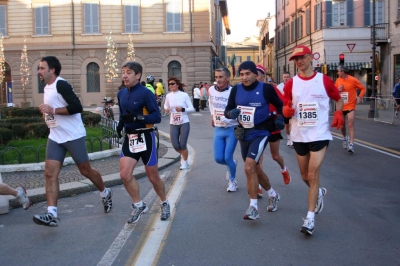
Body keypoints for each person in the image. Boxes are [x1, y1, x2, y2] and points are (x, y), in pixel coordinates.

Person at [35, 56, 113, 227]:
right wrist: (47, 113)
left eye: (42, 68)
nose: (39, 71)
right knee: (49, 173)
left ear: (52, 70)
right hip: (56, 136)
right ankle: (52, 213)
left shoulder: (61, 84)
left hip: (73, 135)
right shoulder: (47, 87)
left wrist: (53, 110)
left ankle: (105, 192)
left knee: (85, 171)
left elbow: (76, 106)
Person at [283, 45, 344, 235]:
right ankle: (318, 192)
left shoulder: (324, 80)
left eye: (302, 57)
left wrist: (339, 112)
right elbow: (286, 103)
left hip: (319, 133)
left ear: (310, 58)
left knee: (312, 172)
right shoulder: (291, 83)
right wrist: (286, 111)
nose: (299, 61)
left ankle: (309, 219)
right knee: (304, 176)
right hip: (299, 134)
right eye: (296, 59)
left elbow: (338, 98)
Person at [224, 61, 284, 220]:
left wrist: (280, 117)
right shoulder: (236, 89)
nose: (244, 77)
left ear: (255, 74)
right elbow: (227, 111)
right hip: (244, 133)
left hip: (261, 132)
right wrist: (231, 114)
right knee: (255, 169)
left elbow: (280, 105)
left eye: (248, 74)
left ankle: (253, 207)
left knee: (248, 167)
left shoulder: (266, 89)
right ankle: (273, 194)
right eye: (242, 74)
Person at [116, 61, 170, 224]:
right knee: (125, 175)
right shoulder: (121, 94)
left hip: (146, 137)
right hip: (130, 138)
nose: (125, 75)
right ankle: (139, 205)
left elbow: (157, 117)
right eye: (123, 72)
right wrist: (120, 124)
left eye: (129, 72)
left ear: (138, 75)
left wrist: (138, 118)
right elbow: (122, 113)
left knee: (152, 177)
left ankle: (164, 202)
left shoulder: (146, 93)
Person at [256, 65, 291, 187]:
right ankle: (259, 185)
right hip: (260, 126)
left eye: (258, 74)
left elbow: (281, 104)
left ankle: (284, 169)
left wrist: (280, 117)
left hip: (273, 125)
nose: (255, 77)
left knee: (275, 156)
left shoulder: (271, 89)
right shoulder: (251, 90)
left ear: (263, 76)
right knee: (258, 158)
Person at [208, 68, 238, 191]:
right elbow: (211, 103)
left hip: (232, 128)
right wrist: (212, 115)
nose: (218, 80)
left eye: (221, 77)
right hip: (218, 128)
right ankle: (232, 165)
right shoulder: (211, 90)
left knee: (227, 157)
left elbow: (238, 108)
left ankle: (232, 181)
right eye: (216, 77)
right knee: (218, 158)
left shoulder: (233, 91)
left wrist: (232, 116)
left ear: (227, 78)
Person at [164, 77, 195, 170]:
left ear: (177, 85)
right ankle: (183, 155)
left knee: (182, 144)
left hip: (184, 122)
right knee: (175, 145)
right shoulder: (168, 96)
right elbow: (166, 105)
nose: (171, 85)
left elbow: (192, 108)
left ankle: (185, 162)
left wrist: (182, 109)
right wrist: (166, 109)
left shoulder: (184, 95)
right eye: (169, 84)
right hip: (173, 122)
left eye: (172, 83)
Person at [335, 65, 366, 153]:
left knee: (350, 125)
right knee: (342, 126)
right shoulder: (338, 80)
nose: (337, 73)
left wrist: (360, 97)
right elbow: (333, 91)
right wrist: (338, 89)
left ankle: (351, 145)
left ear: (342, 72)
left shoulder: (353, 80)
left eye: (338, 71)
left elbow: (363, 88)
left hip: (350, 106)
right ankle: (345, 138)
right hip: (341, 106)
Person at [277, 71, 293, 146]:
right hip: (284, 108)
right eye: (285, 77)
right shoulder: (279, 87)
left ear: (290, 77)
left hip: (293, 108)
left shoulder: (294, 85)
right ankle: (289, 137)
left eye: (287, 77)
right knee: (287, 125)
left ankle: (293, 138)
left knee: (292, 124)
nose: (286, 78)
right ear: (282, 78)